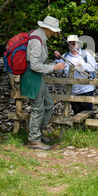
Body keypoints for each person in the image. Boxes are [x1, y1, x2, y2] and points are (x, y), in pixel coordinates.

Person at [21, 16, 66, 151]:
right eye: (53, 31)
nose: (53, 34)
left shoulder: (40, 37)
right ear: (47, 29)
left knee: (48, 104)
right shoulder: (37, 40)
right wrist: (54, 67)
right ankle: (34, 140)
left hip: (37, 77)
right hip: (32, 76)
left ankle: (37, 134)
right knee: (38, 107)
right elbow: (34, 65)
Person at [54, 35, 98, 115]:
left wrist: (82, 65)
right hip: (73, 90)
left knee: (87, 113)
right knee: (77, 113)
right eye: (69, 44)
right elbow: (59, 71)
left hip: (86, 89)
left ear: (78, 44)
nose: (71, 46)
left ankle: (90, 127)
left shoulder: (86, 54)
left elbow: (94, 67)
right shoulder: (65, 56)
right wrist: (57, 59)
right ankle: (78, 128)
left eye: (73, 44)